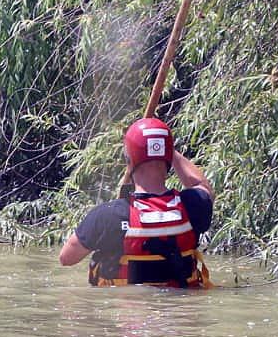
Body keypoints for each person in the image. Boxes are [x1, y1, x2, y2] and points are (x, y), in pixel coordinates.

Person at [58, 117, 213, 288]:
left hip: (128, 311)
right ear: (168, 157)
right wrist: (167, 149)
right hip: (183, 310)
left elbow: (66, 258)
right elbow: (201, 185)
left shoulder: (108, 216)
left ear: (129, 160)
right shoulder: (193, 206)